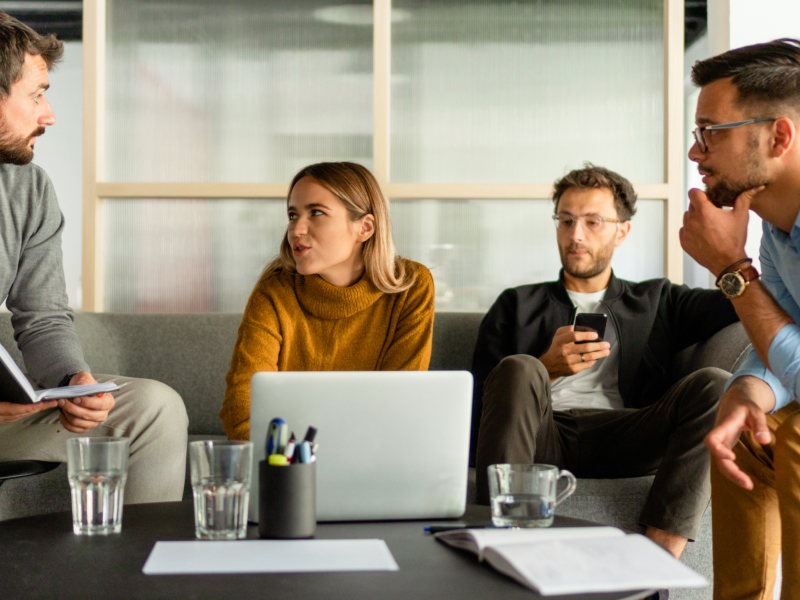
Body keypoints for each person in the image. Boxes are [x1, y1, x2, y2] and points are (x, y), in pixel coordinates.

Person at [472, 164, 739, 560]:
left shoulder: (658, 299)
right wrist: (546, 367)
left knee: (717, 383)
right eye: (565, 220)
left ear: (622, 230)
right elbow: (481, 399)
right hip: (545, 435)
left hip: (629, 433)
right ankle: (499, 551)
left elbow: (738, 304)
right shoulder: (517, 304)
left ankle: (655, 563)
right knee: (519, 367)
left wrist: (730, 255)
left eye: (593, 221)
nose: (575, 235)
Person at [0, 13, 188, 504]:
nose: (49, 115)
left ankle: (134, 579)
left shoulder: (29, 188)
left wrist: (72, 381)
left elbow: (42, 318)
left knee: (152, 407)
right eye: (36, 95)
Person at [681, 39, 800, 600]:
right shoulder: (779, 229)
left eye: (712, 132)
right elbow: (778, 335)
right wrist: (746, 393)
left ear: (779, 136)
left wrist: (732, 268)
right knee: (745, 436)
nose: (695, 153)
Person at [220, 161, 435, 441]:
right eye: (292, 215)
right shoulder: (275, 289)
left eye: (316, 213)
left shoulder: (411, 284)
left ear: (365, 228)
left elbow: (400, 400)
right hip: (285, 463)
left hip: (372, 455)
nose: (296, 229)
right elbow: (243, 400)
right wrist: (284, 467)